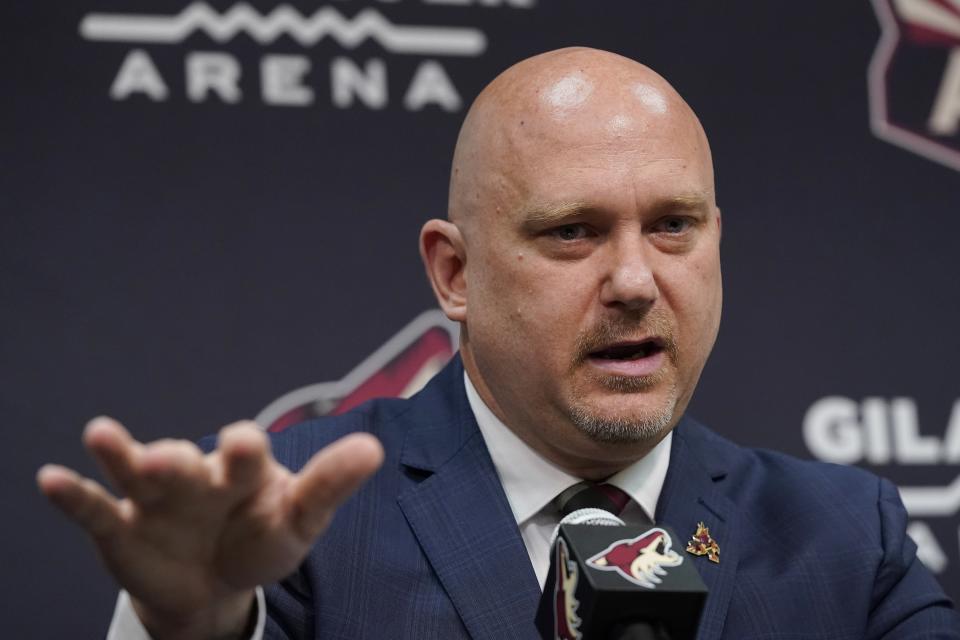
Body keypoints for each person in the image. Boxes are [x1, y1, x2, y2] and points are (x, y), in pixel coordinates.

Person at [38, 47, 959, 639]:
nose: (637, 280)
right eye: (572, 232)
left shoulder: (848, 539)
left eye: (674, 225)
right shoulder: (281, 528)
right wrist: (189, 626)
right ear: (455, 274)